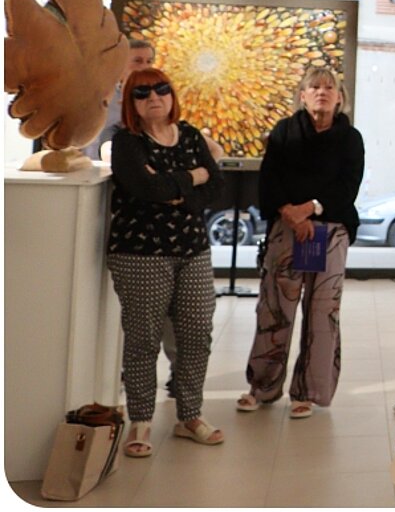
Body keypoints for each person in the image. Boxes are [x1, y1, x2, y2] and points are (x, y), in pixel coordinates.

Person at [107, 67, 226, 457]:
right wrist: (193, 175)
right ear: (131, 103)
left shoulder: (190, 135)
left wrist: (175, 190)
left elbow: (217, 188)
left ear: (173, 96)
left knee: (196, 334)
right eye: (143, 93)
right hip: (140, 254)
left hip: (192, 250)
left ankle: (189, 415)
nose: (154, 97)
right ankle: (140, 421)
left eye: (162, 90)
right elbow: (145, 188)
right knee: (143, 338)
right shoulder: (127, 142)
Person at [237, 66, 364, 418]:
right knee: (275, 307)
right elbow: (269, 179)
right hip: (287, 227)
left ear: (340, 97)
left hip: (331, 229)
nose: (322, 92)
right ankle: (261, 386)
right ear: (302, 94)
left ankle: (308, 391)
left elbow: (347, 187)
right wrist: (290, 212)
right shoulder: (284, 131)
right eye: (314, 86)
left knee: (323, 312)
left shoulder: (350, 138)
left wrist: (311, 208)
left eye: (329, 87)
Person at [85, 38, 155, 159]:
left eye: (149, 61)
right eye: (137, 61)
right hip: (98, 169)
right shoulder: (99, 95)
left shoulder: (159, 98)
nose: (144, 67)